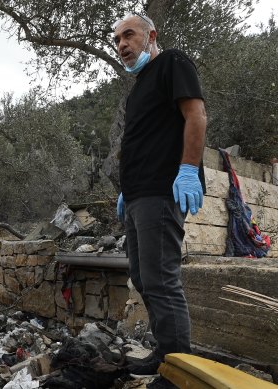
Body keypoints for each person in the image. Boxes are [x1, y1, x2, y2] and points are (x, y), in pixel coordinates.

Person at [113, 14, 207, 388]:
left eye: (129, 35)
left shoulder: (172, 62)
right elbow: (144, 139)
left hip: (161, 192)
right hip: (138, 196)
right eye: (117, 39)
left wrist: (187, 169)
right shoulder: (138, 88)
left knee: (161, 280)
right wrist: (126, 189)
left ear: (151, 35)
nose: (122, 44)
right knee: (142, 277)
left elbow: (196, 115)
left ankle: (178, 367)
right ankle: (163, 352)